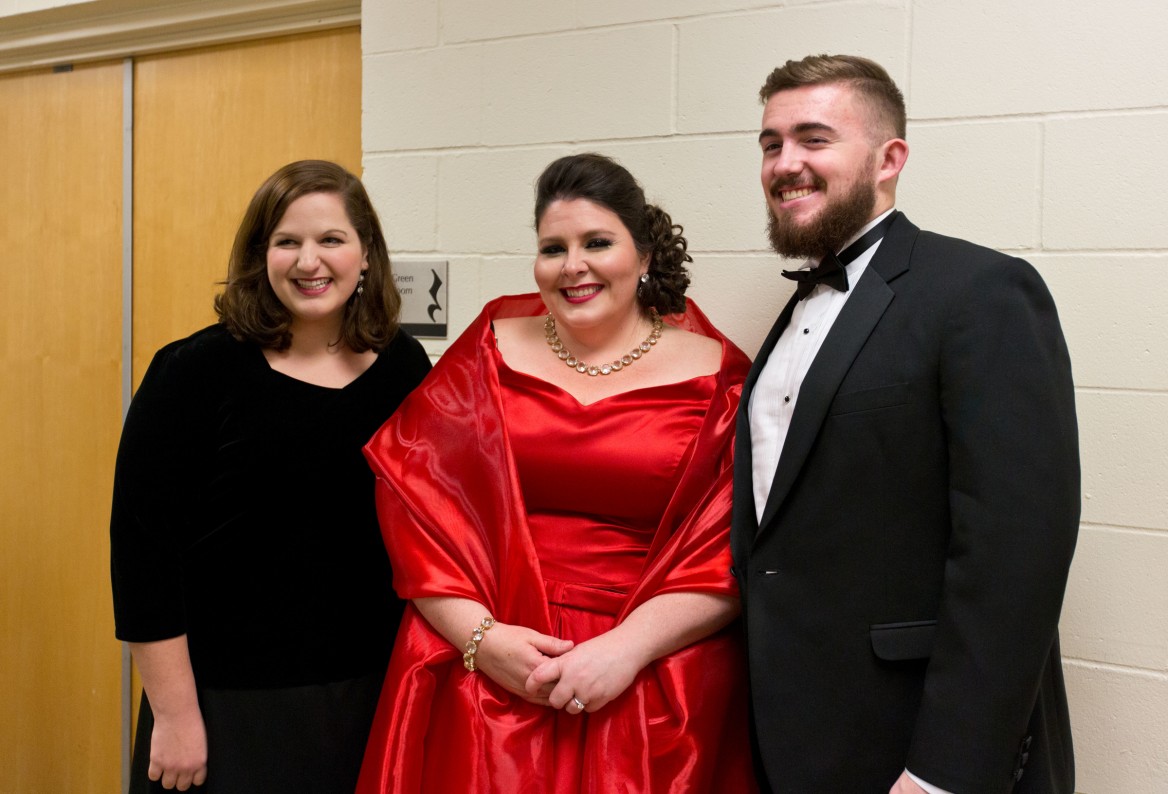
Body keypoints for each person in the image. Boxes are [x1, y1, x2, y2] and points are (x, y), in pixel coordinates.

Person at [731, 54, 1080, 794]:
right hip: (793, 739)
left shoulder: (981, 291)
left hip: (920, 753)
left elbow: (1015, 556)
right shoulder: (797, 312)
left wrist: (943, 773)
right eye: (770, 143)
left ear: (890, 159)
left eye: (813, 138)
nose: (784, 163)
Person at [355, 153, 758, 793]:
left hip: (643, 671)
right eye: (553, 247)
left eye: (597, 242)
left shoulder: (721, 378)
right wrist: (482, 641)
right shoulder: (487, 346)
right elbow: (416, 510)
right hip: (486, 665)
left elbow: (729, 549)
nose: (573, 265)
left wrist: (625, 651)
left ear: (645, 254)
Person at [110, 160, 432, 793]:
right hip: (225, 708)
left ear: (366, 254)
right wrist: (175, 716)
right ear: (262, 256)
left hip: (369, 698)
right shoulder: (193, 372)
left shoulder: (402, 365)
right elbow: (144, 558)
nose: (309, 261)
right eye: (287, 242)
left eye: (331, 240)